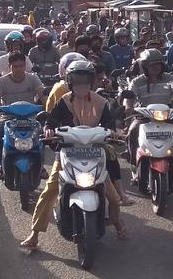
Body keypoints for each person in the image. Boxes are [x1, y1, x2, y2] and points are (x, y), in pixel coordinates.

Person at [21, 60, 126, 249]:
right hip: (67, 151)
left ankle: (116, 222)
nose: (82, 86)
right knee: (50, 190)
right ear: (70, 82)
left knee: (112, 195)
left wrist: (114, 131)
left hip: (95, 151)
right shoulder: (64, 101)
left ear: (92, 82)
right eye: (77, 82)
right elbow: (51, 120)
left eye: (85, 82)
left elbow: (110, 122)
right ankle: (34, 233)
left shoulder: (101, 102)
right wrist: (48, 129)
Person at [0, 51, 45, 175]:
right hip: (8, 117)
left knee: (42, 133)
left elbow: (43, 95)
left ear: (25, 66)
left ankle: (40, 165)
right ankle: (0, 164)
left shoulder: (33, 78)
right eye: (15, 66)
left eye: (21, 66)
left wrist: (47, 106)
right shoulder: (2, 81)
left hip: (30, 117)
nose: (19, 69)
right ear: (10, 66)